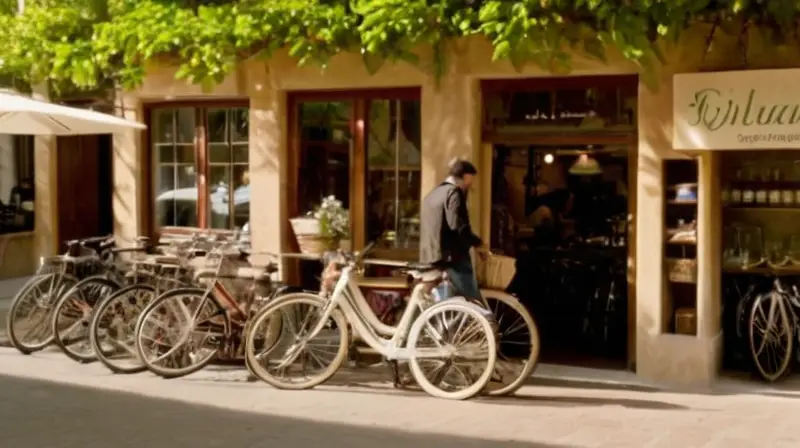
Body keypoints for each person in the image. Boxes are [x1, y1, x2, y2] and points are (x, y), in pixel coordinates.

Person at [419, 159, 483, 301]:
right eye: (471, 179)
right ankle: (476, 318)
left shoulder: (434, 193)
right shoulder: (454, 193)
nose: (471, 184)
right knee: (470, 296)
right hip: (448, 256)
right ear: (466, 176)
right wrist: (476, 242)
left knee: (442, 297)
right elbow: (457, 226)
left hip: (428, 254)